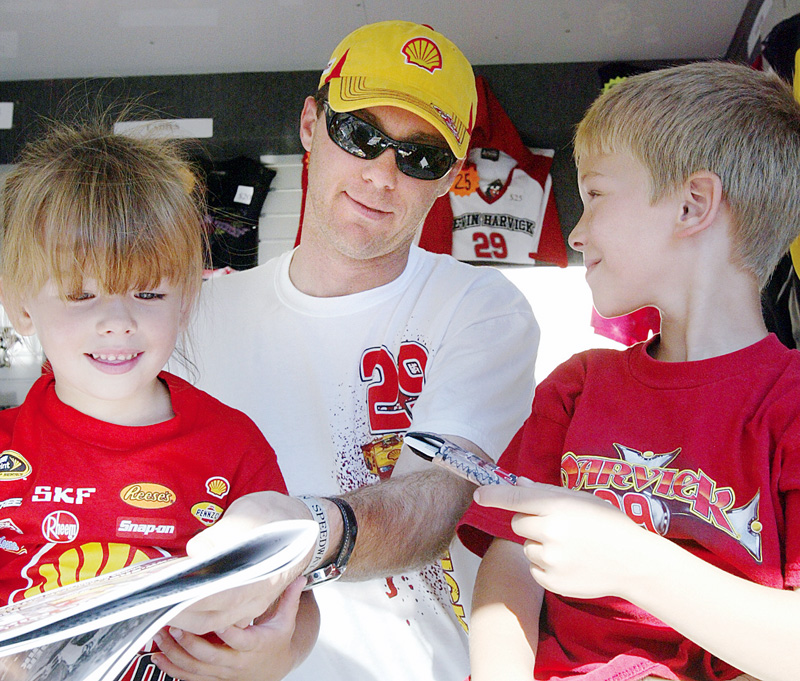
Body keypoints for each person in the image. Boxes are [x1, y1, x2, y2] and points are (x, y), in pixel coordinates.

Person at [177, 20, 539, 681]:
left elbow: (439, 498)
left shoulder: (481, 309)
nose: (381, 174)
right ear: (312, 124)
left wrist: (306, 532)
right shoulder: (193, 319)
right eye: (361, 134)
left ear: (450, 177)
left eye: (420, 156)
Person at [458, 60, 800, 681]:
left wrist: (632, 562)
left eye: (595, 195)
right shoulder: (579, 385)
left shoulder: (791, 405)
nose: (580, 232)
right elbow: (510, 564)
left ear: (693, 205)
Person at [0, 119, 316, 681]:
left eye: (148, 292)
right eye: (81, 294)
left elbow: (295, 596)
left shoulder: (232, 445)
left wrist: (277, 657)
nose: (117, 322)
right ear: (22, 305)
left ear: (186, 301)